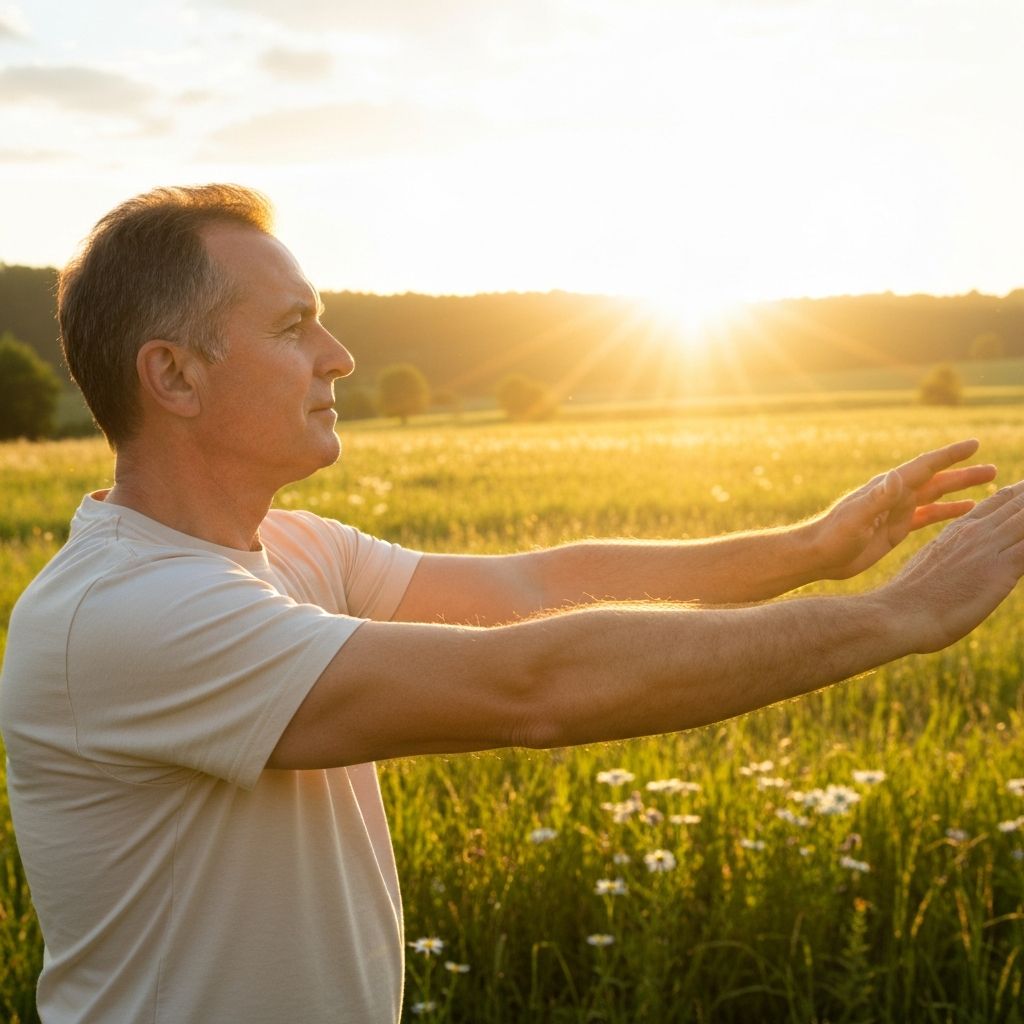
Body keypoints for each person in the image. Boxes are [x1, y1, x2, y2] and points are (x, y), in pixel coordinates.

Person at [2, 184, 1024, 1024]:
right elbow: (532, 684)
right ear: (172, 375)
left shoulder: (286, 549)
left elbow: (533, 587)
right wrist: (903, 616)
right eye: (293, 326)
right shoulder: (126, 614)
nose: (339, 356)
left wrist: (809, 550)